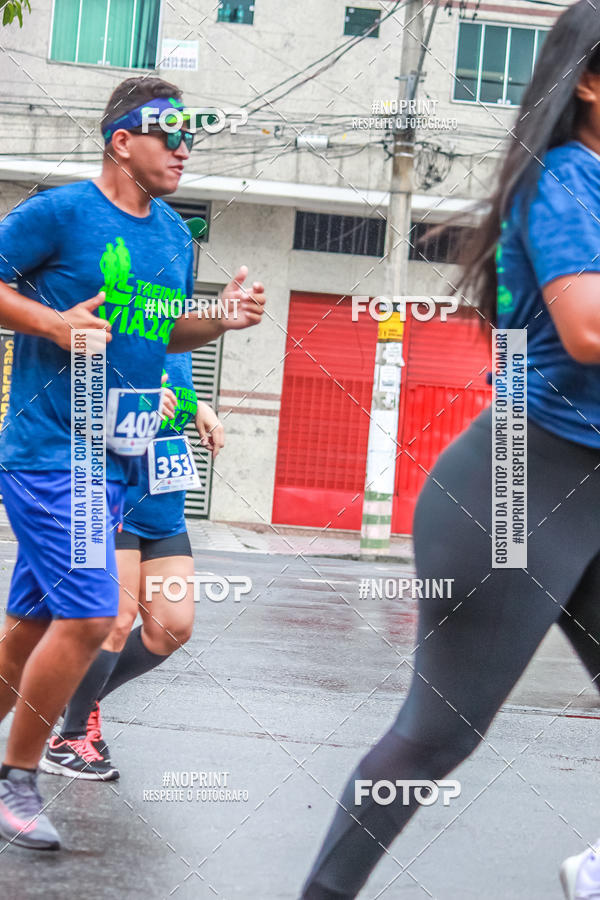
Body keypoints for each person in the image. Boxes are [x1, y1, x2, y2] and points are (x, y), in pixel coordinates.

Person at [301, 3, 600, 897]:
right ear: (589, 81)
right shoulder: (564, 180)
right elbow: (586, 329)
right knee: (438, 732)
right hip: (519, 484)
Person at [0, 75, 265, 850]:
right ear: (123, 140)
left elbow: (164, 331)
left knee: (29, 627)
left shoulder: (176, 236)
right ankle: (18, 777)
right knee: (90, 612)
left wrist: (220, 319)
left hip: (119, 460)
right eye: (170, 135)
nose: (185, 149)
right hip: (52, 451)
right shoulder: (60, 213)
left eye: (192, 136)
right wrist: (52, 324)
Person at [40, 353, 225, 779]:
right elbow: (69, 403)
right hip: (107, 494)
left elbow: (177, 387)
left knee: (172, 627)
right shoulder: (113, 317)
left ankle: (76, 701)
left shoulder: (177, 333)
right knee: (114, 621)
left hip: (163, 505)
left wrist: (200, 407)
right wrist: (135, 406)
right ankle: (67, 738)